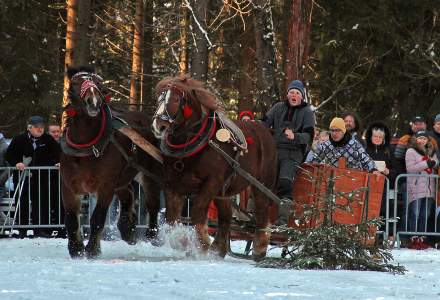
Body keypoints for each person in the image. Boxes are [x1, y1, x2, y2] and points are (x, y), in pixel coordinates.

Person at [5, 116, 61, 238]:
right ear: (29, 128)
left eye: (42, 127)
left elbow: (57, 153)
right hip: (22, 176)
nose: (40, 129)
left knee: (41, 202)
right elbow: (9, 154)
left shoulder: (48, 139)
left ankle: (41, 229)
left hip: (42, 177)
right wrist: (16, 163)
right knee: (22, 201)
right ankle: (22, 229)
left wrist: (57, 162)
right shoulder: (19, 139)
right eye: (37, 127)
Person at [262, 79, 315, 201]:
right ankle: (252, 214)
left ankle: (282, 218)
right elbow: (264, 122)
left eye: (297, 93)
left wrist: (295, 136)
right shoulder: (278, 107)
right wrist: (255, 125)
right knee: (263, 179)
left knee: (285, 182)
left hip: (293, 153)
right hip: (274, 151)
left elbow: (309, 136)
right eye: (292, 92)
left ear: (301, 96)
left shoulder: (307, 112)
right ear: (287, 95)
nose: (294, 95)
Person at [306, 117, 379, 174]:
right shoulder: (325, 146)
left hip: (354, 179)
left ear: (343, 131)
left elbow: (366, 159)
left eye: (337, 130)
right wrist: (308, 166)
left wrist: (373, 169)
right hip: (332, 180)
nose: (334, 133)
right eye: (332, 130)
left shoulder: (354, 145)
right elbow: (313, 160)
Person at [405, 130, 439, 249]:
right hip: (416, 187)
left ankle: (422, 238)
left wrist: (433, 163)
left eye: (424, 138)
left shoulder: (431, 151)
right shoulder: (411, 151)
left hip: (429, 189)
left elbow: (436, 163)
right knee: (415, 213)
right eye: (420, 138)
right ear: (416, 139)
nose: (422, 140)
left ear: (427, 140)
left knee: (425, 215)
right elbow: (410, 168)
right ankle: (413, 238)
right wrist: (426, 164)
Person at [364, 122, 397, 226]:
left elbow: (397, 171)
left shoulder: (389, 151)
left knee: (385, 210)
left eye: (380, 137)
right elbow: (358, 167)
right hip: (367, 187)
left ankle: (386, 235)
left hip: (384, 189)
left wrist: (387, 171)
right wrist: (371, 171)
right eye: (375, 136)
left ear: (384, 138)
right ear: (370, 136)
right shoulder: (364, 150)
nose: (377, 139)